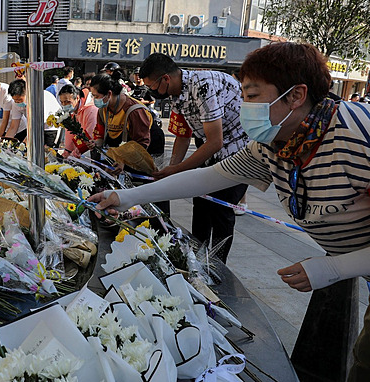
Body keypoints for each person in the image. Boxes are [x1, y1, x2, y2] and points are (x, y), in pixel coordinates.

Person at [90, 42, 370, 382]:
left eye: (252, 95)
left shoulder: (356, 136)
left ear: (296, 96)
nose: (242, 106)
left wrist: (333, 267)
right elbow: (210, 177)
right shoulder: (273, 145)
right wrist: (126, 196)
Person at [139, 53, 249, 262]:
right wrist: (172, 169)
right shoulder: (176, 94)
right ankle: (195, 261)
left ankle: (216, 266)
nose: (152, 93)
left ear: (165, 79)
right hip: (212, 145)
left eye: (152, 87)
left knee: (221, 210)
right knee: (201, 206)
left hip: (238, 149)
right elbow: (183, 135)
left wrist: (177, 170)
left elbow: (215, 142)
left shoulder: (202, 87)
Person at [89, 72, 152, 174]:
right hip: (121, 151)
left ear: (109, 94)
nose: (94, 100)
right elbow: (100, 136)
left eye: (96, 96)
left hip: (145, 150)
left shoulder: (134, 111)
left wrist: (124, 161)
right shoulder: (103, 109)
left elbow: (141, 143)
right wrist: (95, 144)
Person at [7, 79, 62, 146]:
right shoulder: (15, 103)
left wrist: (25, 143)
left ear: (27, 93)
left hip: (51, 128)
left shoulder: (40, 99)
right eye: (14, 100)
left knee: (48, 152)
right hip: (34, 127)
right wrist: (6, 143)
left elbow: (37, 125)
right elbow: (13, 127)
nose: (17, 102)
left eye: (19, 99)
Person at [57, 84, 98, 158]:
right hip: (79, 150)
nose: (64, 105)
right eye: (62, 102)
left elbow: (90, 134)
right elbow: (69, 133)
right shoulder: (71, 112)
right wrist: (67, 152)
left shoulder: (91, 110)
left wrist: (75, 153)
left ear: (77, 98)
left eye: (67, 102)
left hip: (91, 150)